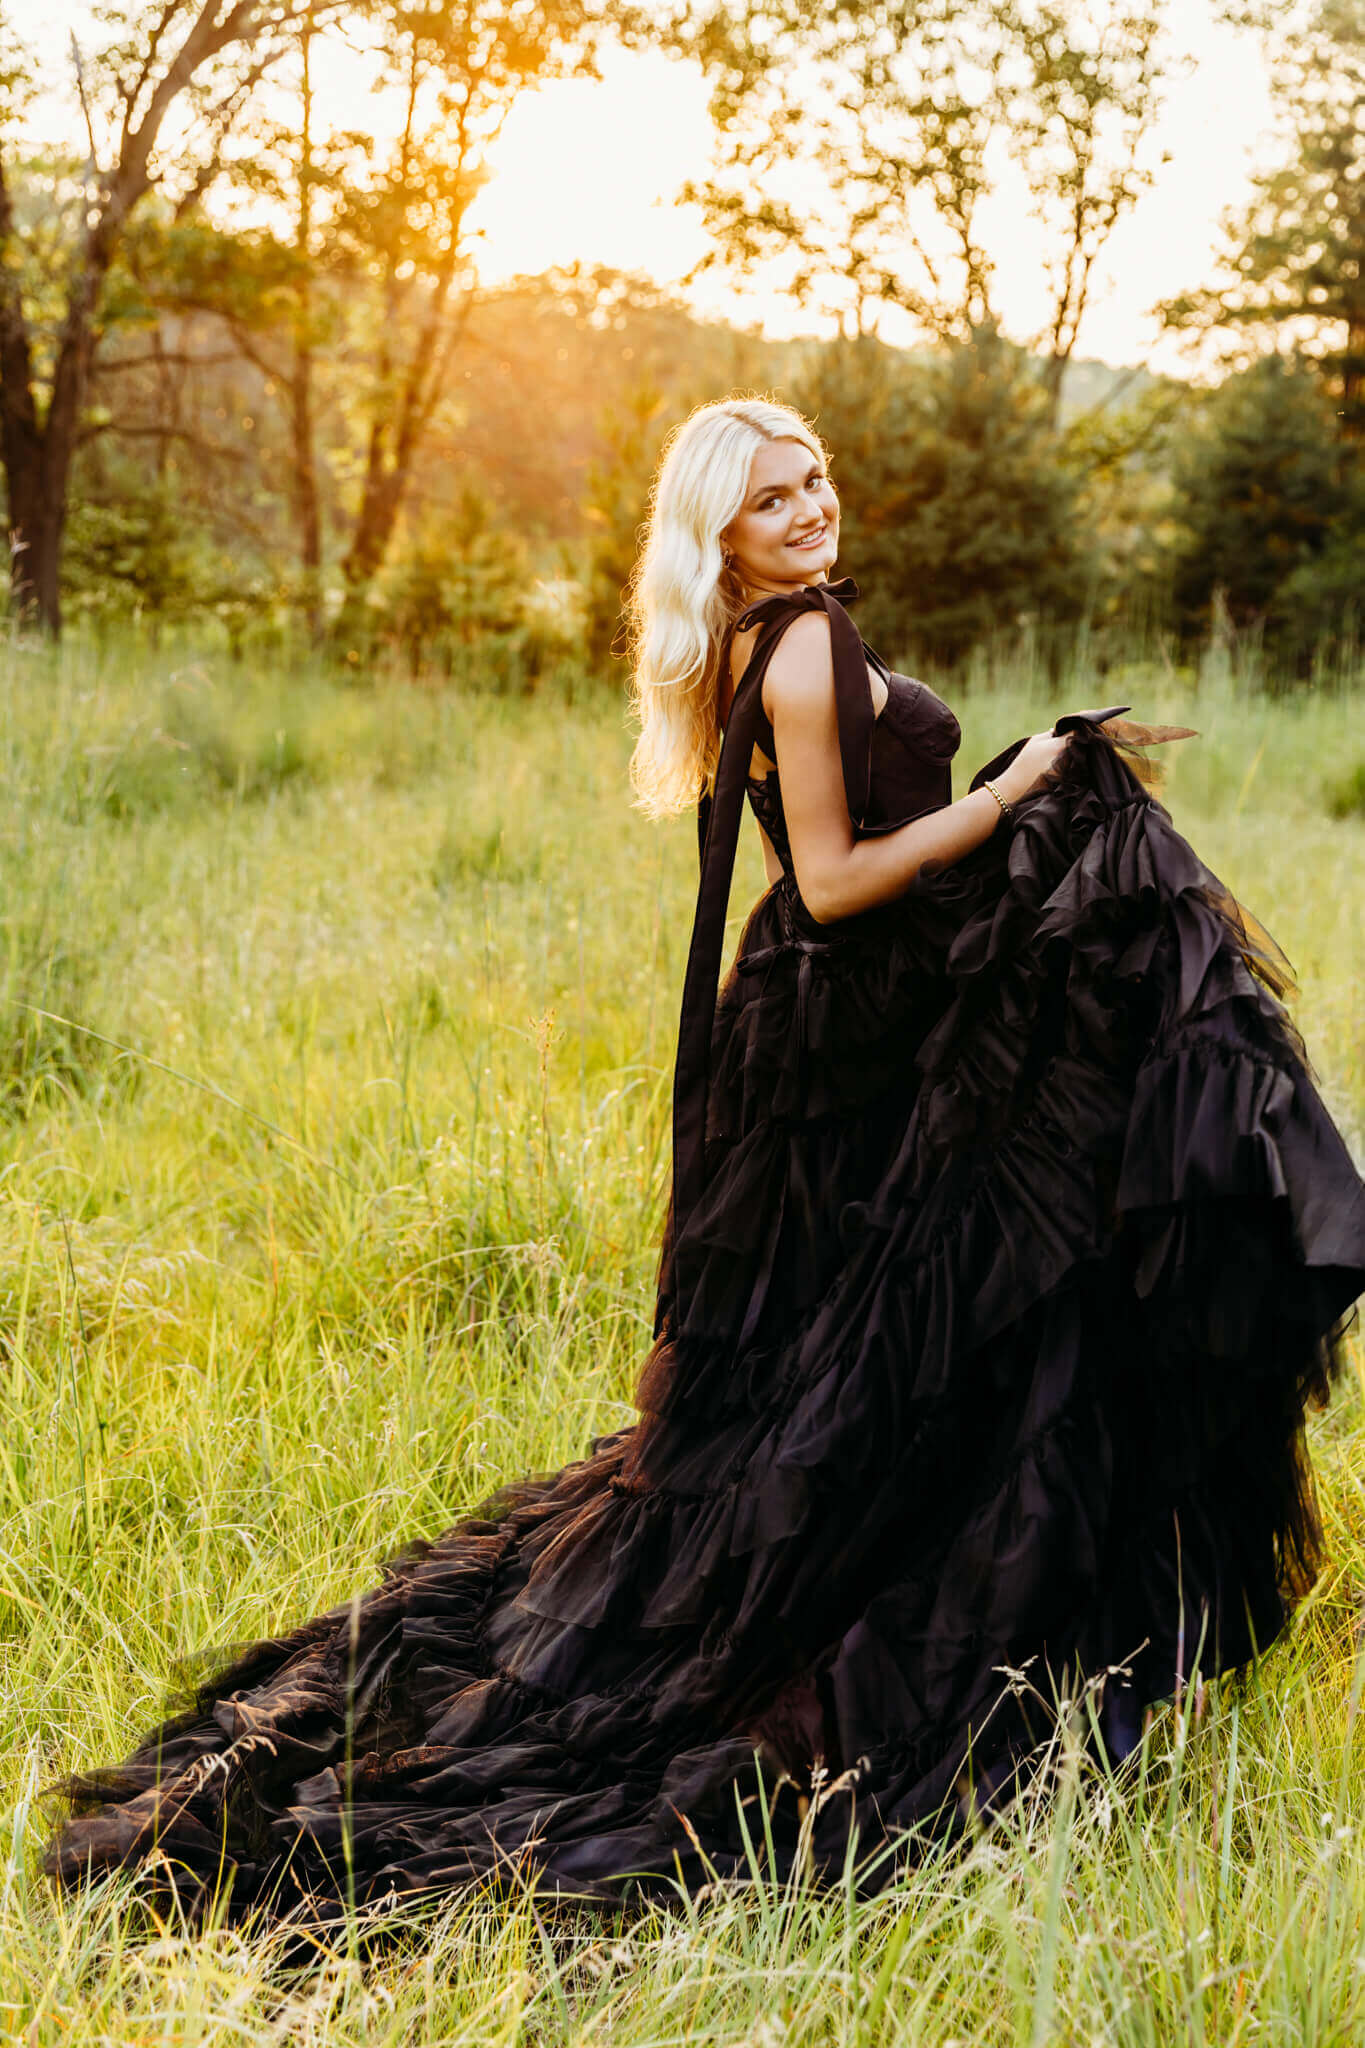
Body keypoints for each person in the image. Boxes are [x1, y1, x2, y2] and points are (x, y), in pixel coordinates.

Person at [45, 396, 1365, 1928]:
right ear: (719, 534)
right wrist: (1016, 791)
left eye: (814, 480)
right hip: (857, 1020)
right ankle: (886, 1627)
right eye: (771, 500)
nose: (810, 511)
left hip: (843, 1018)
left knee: (880, 1342)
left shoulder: (774, 632)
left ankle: (966, 1574)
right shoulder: (794, 643)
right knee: (930, 1313)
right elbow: (837, 876)